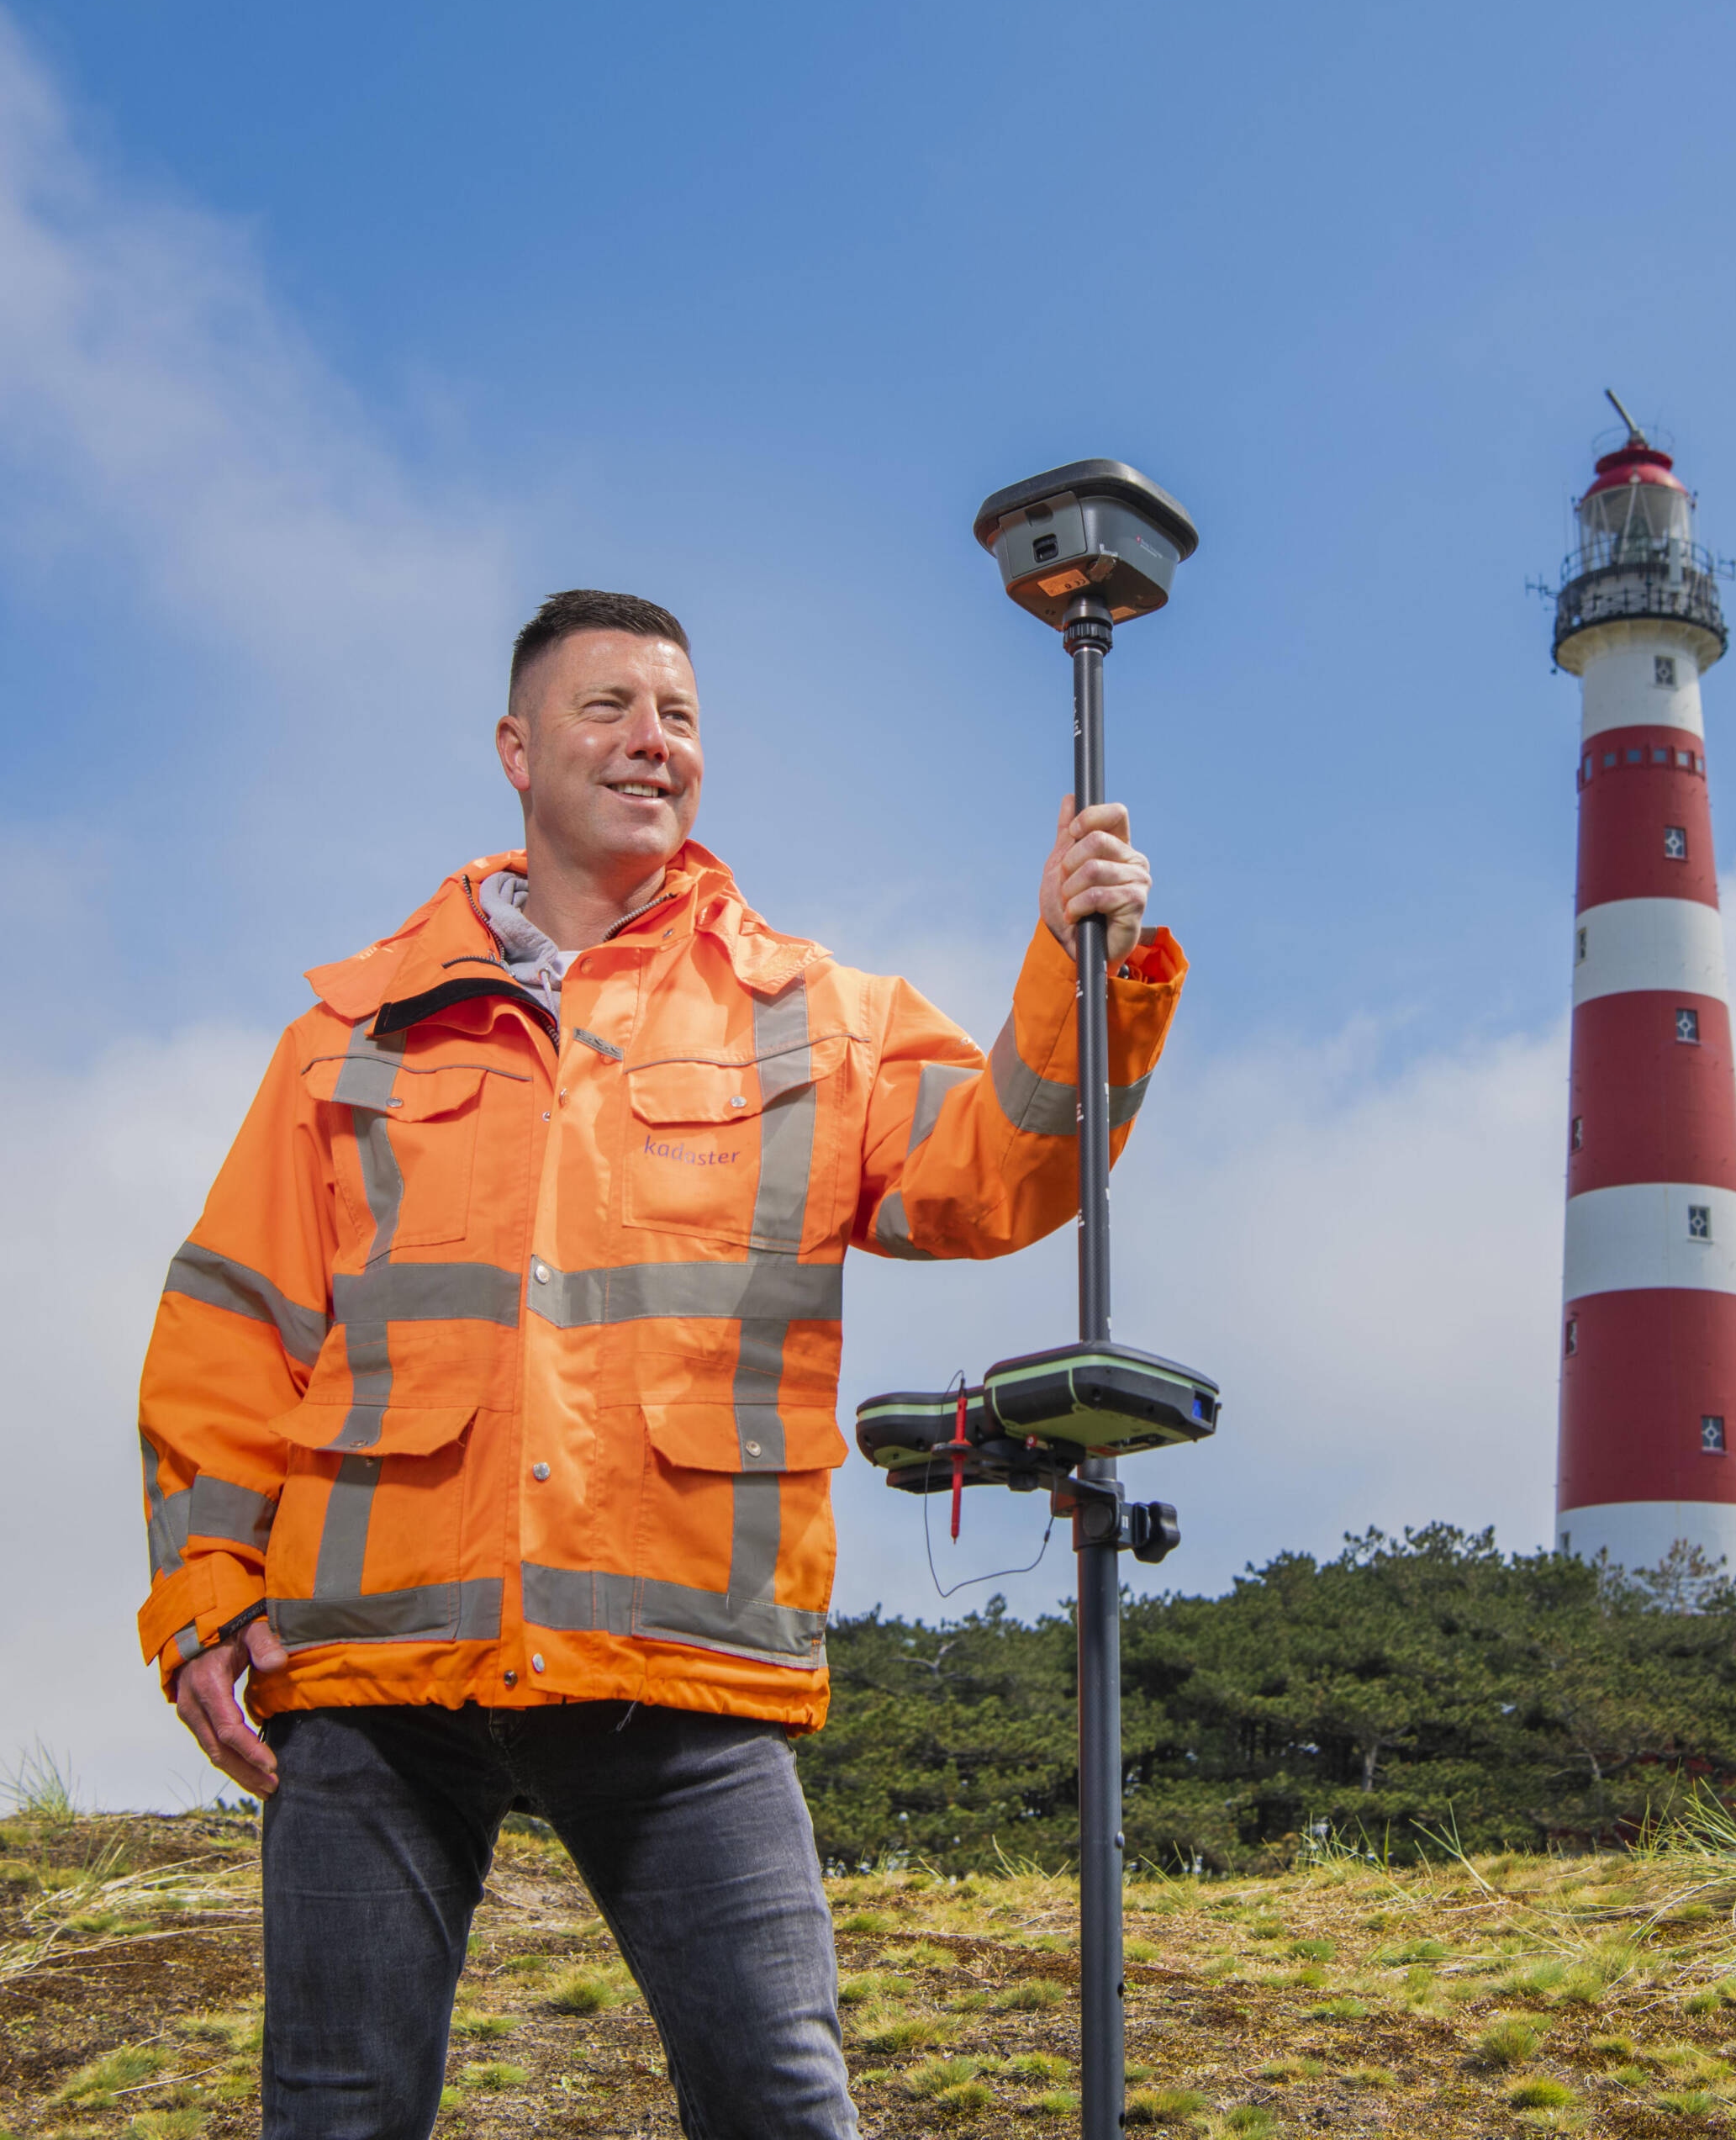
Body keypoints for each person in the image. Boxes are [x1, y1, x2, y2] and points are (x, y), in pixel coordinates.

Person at [130, 589, 1183, 2138]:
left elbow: (997, 1172)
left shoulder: (810, 1018)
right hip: (369, 1666)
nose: (651, 743)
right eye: (608, 708)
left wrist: (1078, 961)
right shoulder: (350, 1031)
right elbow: (235, 1323)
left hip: (685, 1662)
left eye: (679, 716)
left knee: (780, 2103)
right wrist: (206, 1593)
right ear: (516, 747)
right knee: (335, 2113)